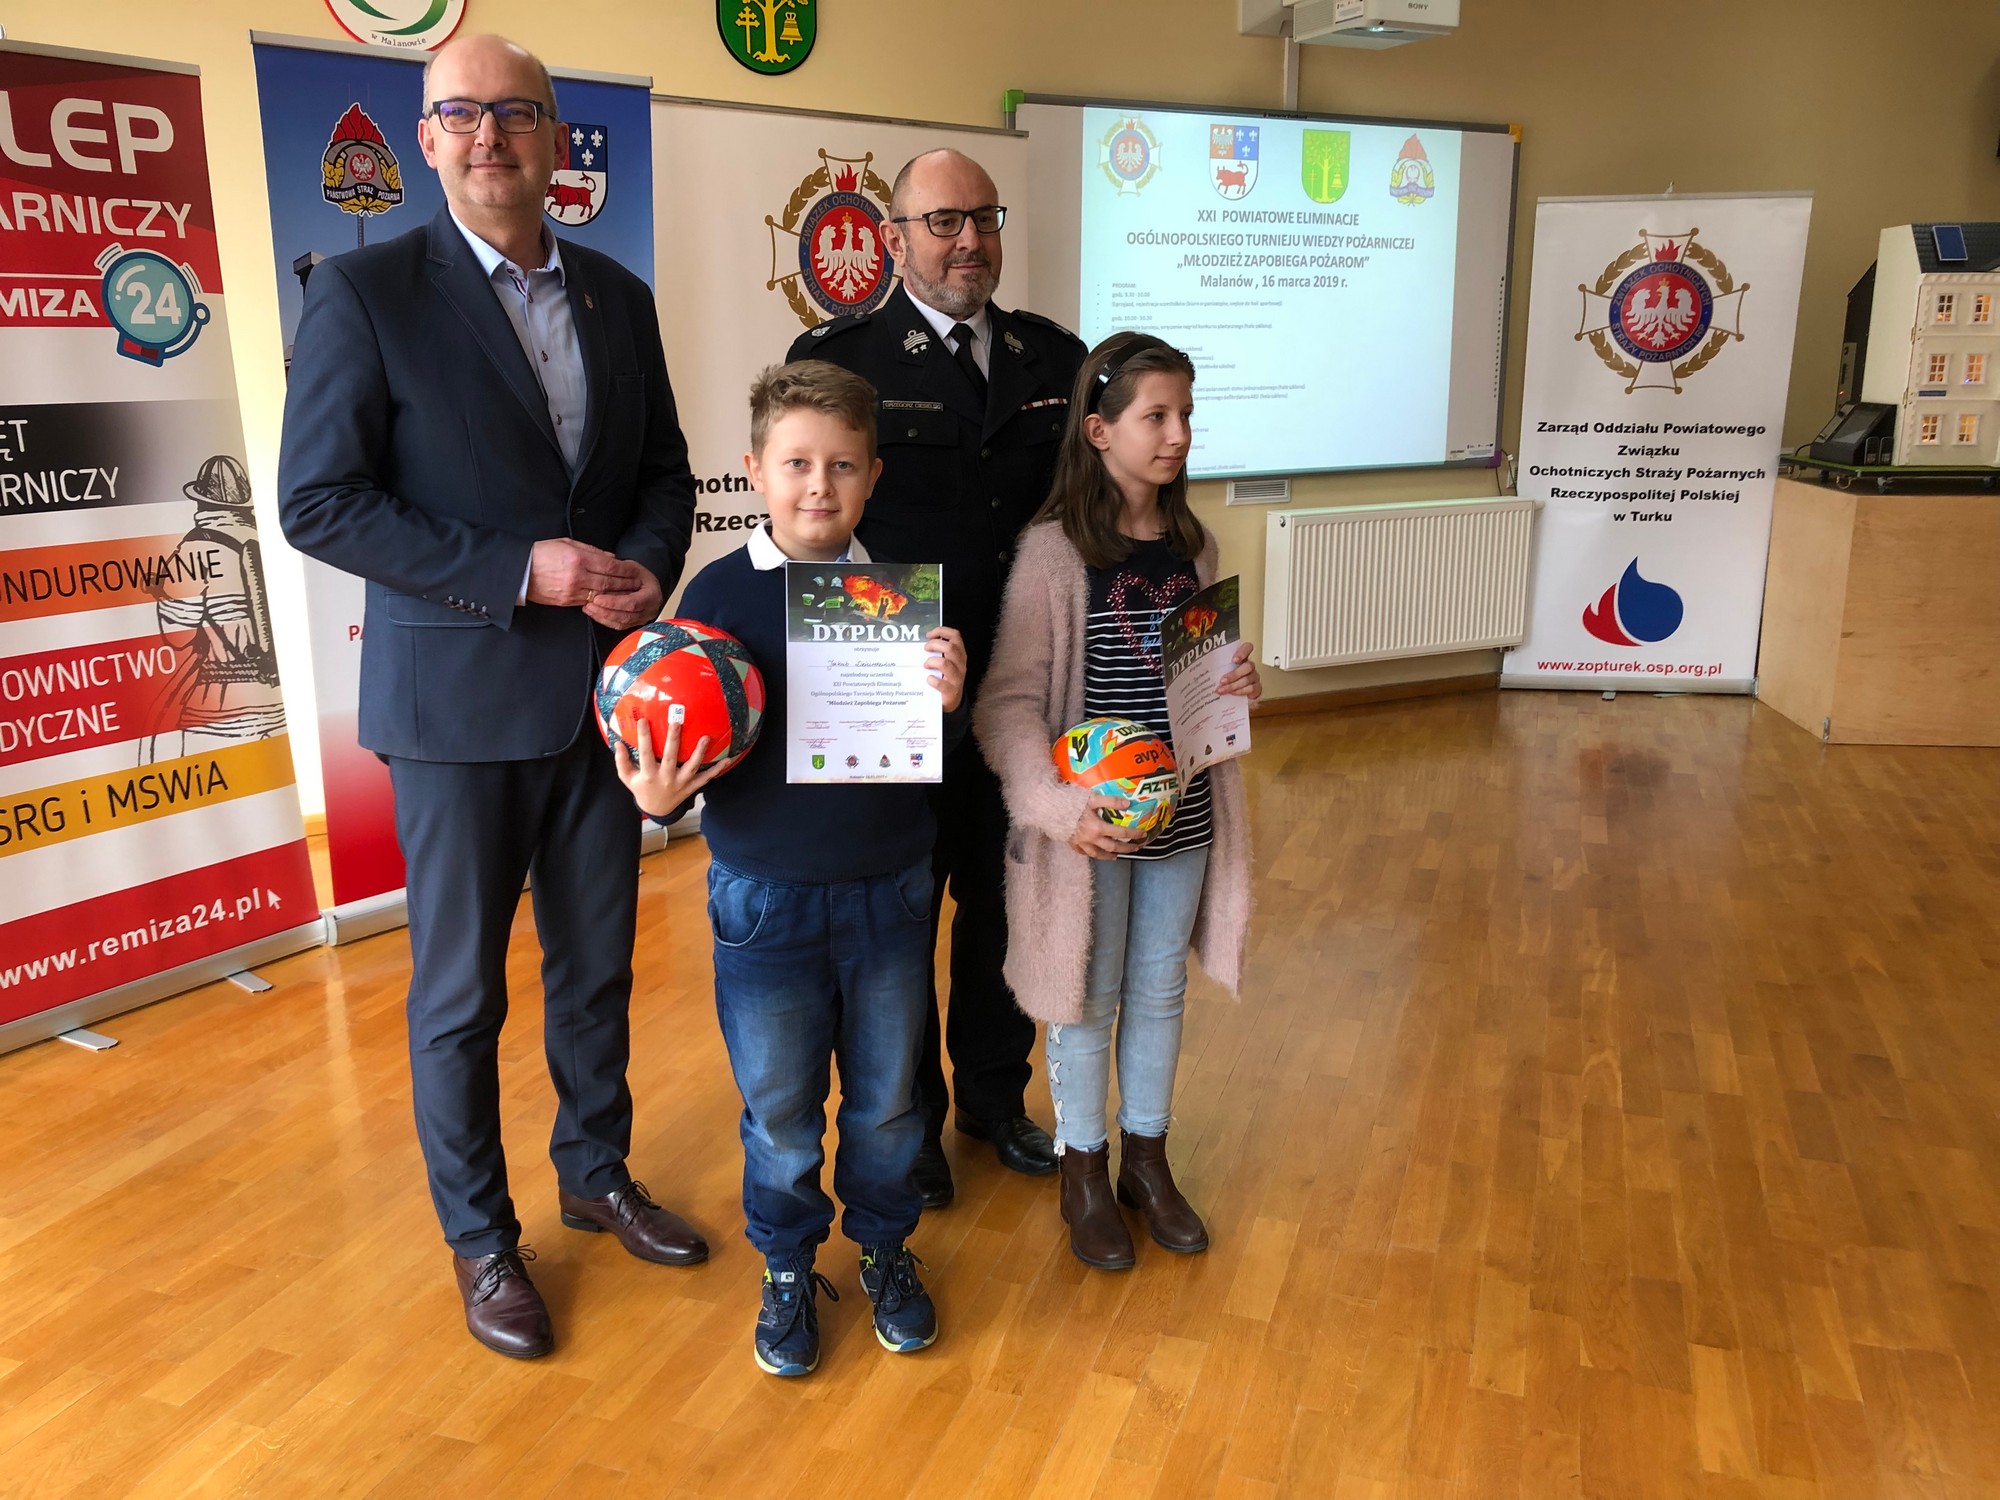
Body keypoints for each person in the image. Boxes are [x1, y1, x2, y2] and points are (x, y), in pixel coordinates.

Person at [278, 34, 705, 1360]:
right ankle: (480, 1236)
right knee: (461, 994)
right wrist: (524, 569)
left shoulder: (619, 297)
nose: (488, 136)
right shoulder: (364, 293)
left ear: (554, 136)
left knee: (597, 969)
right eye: (459, 113)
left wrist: (646, 567)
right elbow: (319, 501)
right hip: (456, 710)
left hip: (602, 703)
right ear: (424, 139)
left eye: (514, 113)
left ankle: (595, 1173)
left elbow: (665, 472)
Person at [617, 360, 967, 1376]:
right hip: (763, 898)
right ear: (755, 472)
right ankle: (784, 1264)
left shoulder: (899, 593)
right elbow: (673, 740)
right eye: (798, 464)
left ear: (873, 476)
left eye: (843, 466)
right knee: (778, 1113)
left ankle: (885, 1246)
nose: (820, 486)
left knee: (888, 1100)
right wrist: (655, 797)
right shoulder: (715, 596)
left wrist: (945, 703)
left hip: (891, 887)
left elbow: (927, 755)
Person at [789, 148, 1085, 1205]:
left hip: (1020, 691)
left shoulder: (1054, 357)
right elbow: (817, 527)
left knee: (1004, 901)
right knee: (899, 920)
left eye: (983, 219)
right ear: (893, 239)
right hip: (898, 696)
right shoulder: (843, 359)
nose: (969, 241)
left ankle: (995, 1100)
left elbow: (1083, 515)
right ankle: (905, 1119)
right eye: (943, 221)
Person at [973, 333, 1260, 1270]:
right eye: (1156, 416)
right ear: (1099, 431)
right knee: (1086, 998)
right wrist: (1057, 808)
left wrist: (1238, 685)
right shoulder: (1053, 553)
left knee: (1159, 989)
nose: (1178, 435)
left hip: (1184, 821)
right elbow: (1007, 704)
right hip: (1086, 835)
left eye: (1186, 415)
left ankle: (1147, 1159)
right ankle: (1084, 1169)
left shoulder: (1195, 545)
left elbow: (1201, 688)